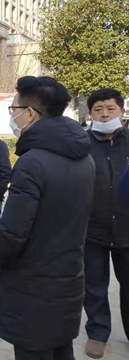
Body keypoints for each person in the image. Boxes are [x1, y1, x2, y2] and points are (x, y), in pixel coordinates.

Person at [0, 77, 95, 360]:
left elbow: (13, 234)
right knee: (61, 350)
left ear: (30, 114)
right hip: (69, 278)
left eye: (14, 110)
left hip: (33, 287)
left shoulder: (32, 162)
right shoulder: (84, 157)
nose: (12, 117)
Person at [83, 88, 129, 359]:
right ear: (90, 114)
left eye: (110, 109)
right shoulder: (80, 143)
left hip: (127, 228)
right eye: (98, 109)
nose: (104, 114)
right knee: (94, 285)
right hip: (92, 228)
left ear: (121, 112)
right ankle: (98, 333)